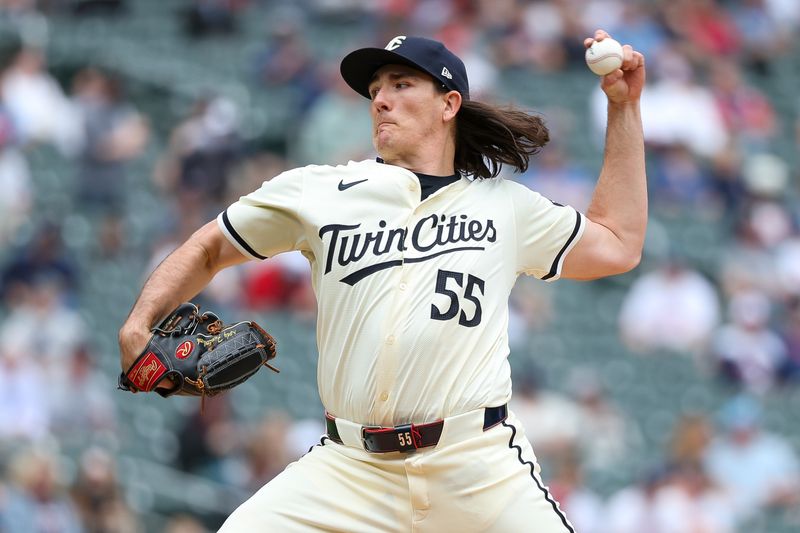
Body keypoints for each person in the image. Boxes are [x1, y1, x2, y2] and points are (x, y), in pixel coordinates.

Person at [119, 30, 646, 532]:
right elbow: (210, 247)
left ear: (449, 104)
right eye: (375, 90)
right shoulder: (321, 190)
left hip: (475, 467)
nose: (380, 100)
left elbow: (618, 242)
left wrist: (623, 107)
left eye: (401, 84)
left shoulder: (505, 207)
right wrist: (139, 323)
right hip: (351, 469)